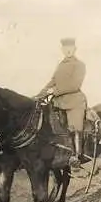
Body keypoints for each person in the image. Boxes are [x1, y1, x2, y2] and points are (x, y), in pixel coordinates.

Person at [36, 37, 87, 167]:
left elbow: (75, 84)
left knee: (74, 127)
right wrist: (39, 95)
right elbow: (52, 81)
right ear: (62, 50)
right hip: (58, 101)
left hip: (74, 101)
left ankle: (76, 156)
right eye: (65, 48)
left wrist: (54, 91)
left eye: (70, 48)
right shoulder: (60, 65)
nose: (68, 50)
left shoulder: (80, 65)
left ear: (74, 49)